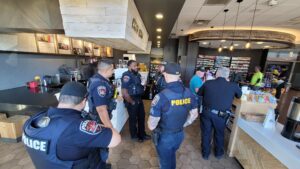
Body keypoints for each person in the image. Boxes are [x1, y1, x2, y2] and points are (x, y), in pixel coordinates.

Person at [23, 82, 121, 169]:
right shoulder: (75, 127)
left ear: (60, 98)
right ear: (84, 101)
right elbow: (116, 139)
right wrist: (101, 126)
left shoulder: (31, 122)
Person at [148, 62, 198, 169]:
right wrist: (184, 124)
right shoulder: (189, 93)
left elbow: (151, 125)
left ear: (165, 74)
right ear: (179, 75)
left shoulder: (161, 97)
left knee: (164, 162)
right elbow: (194, 114)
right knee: (171, 156)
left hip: (165, 137)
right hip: (179, 134)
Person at [198, 67, 242, 160]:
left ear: (217, 74)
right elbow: (239, 95)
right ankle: (218, 153)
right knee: (219, 133)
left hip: (207, 112)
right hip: (221, 115)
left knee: (206, 133)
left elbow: (199, 93)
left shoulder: (208, 83)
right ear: (227, 76)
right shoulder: (233, 85)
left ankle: (205, 154)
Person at [87, 59, 116, 168]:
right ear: (107, 69)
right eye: (112, 69)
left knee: (99, 145)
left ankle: (101, 163)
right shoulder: (100, 85)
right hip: (99, 120)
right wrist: (109, 127)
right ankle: (101, 165)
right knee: (102, 144)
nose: (113, 71)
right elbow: (101, 109)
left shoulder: (98, 79)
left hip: (97, 118)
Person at [121, 60, 151, 142]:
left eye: (136, 65)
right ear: (129, 67)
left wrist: (143, 86)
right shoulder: (126, 76)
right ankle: (134, 136)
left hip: (139, 99)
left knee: (142, 117)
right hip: (131, 99)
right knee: (133, 119)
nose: (136, 67)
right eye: (134, 66)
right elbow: (124, 92)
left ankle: (142, 134)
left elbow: (139, 85)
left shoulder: (137, 74)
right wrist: (132, 102)